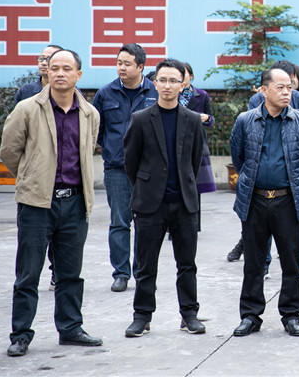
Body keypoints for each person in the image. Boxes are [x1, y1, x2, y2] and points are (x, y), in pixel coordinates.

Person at [1, 49, 103, 357]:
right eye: (54, 67)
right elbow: (9, 151)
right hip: (36, 205)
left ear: (78, 75)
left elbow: (87, 152)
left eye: (66, 68)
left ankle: (70, 328)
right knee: (28, 274)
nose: (59, 73)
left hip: (74, 204)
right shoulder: (27, 108)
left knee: (70, 273)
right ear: (46, 72)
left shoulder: (90, 113)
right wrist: (32, 178)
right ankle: (21, 334)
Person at [230, 67, 299, 338]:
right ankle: (250, 315)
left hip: (287, 201)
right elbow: (239, 158)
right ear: (263, 90)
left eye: (289, 87)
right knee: (253, 263)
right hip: (254, 200)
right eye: (280, 87)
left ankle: (291, 315)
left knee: (291, 262)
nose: (286, 92)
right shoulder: (245, 121)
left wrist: (291, 186)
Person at [122, 59, 207, 337]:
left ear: (183, 85)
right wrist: (147, 187)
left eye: (173, 81)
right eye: (163, 80)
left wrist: (183, 185)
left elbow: (194, 160)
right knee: (146, 265)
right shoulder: (141, 119)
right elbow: (131, 162)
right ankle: (142, 316)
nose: (168, 85)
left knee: (187, 264)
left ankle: (189, 314)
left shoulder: (192, 119)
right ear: (155, 83)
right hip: (150, 204)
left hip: (184, 203)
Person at [92, 43, 158, 292]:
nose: (121, 67)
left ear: (140, 67)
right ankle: (121, 273)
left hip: (148, 170)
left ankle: (142, 272)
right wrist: (111, 149)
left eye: (127, 64)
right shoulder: (105, 93)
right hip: (117, 168)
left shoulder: (155, 91)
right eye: (119, 62)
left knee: (145, 223)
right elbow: (97, 130)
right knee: (119, 222)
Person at [13, 43, 64, 290]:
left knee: (62, 234)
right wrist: (26, 172)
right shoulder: (27, 93)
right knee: (32, 237)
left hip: (63, 179)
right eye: (41, 58)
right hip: (34, 181)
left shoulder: (71, 96)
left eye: (49, 58)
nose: (44, 62)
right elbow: (12, 143)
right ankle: (27, 284)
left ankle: (57, 272)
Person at [180, 62, 216, 224]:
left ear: (191, 76)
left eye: (185, 73)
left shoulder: (201, 95)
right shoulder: (170, 93)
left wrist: (206, 118)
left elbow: (211, 118)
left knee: (195, 187)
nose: (182, 77)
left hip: (195, 143)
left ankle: (194, 224)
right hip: (175, 142)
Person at [13, 44, 63, 108]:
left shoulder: (70, 92)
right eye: (41, 58)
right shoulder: (26, 91)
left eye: (49, 59)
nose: (43, 63)